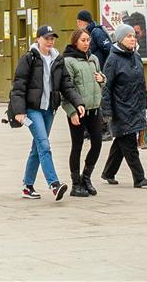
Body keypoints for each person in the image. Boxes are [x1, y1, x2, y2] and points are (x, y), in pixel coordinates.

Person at [8, 23, 83, 202]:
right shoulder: (29, 58)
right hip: (32, 109)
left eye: (52, 38)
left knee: (38, 147)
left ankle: (27, 186)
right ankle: (54, 184)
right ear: (38, 39)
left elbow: (66, 84)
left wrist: (78, 102)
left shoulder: (58, 59)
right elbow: (18, 86)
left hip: (49, 110)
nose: (50, 41)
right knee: (44, 145)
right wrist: (19, 110)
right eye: (46, 38)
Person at [99, 23, 147, 188]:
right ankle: (139, 178)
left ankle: (108, 172)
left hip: (136, 107)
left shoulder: (136, 57)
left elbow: (141, 83)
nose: (132, 39)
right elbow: (106, 87)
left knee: (121, 141)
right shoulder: (113, 60)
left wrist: (145, 103)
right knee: (129, 143)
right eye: (128, 36)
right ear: (120, 39)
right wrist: (107, 110)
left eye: (134, 36)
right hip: (120, 109)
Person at [61, 26, 105, 197]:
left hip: (94, 109)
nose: (86, 43)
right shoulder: (68, 61)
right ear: (75, 42)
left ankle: (86, 177)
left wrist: (102, 79)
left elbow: (100, 79)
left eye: (88, 40)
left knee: (97, 143)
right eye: (83, 40)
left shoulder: (93, 59)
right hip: (78, 110)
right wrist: (71, 112)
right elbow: (66, 89)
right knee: (77, 145)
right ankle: (75, 184)